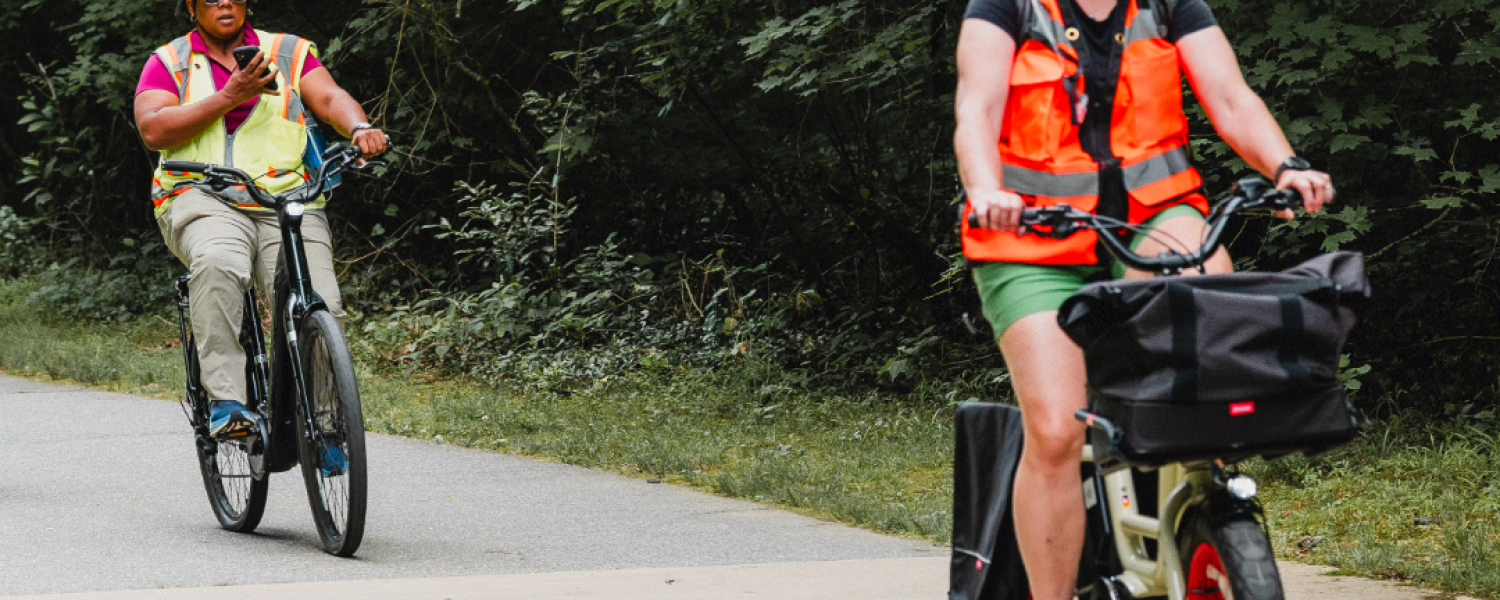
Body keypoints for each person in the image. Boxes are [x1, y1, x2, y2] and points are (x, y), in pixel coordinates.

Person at [953, 0, 1335, 597]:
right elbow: (976, 108)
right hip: (1028, 237)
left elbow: (1230, 97)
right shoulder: (1008, 7)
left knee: (1204, 316)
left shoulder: (1166, 6)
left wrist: (1285, 165)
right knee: (1056, 431)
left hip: (1151, 215)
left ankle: (1198, 506)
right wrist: (983, 188)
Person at [134, 0, 387, 438]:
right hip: (201, 194)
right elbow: (153, 129)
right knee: (218, 263)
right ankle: (227, 402)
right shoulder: (171, 60)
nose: (224, 2)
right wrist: (229, 95)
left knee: (320, 302)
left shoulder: (286, 51)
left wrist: (359, 128)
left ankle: (326, 424)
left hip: (285, 197)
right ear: (191, 6)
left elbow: (329, 97)